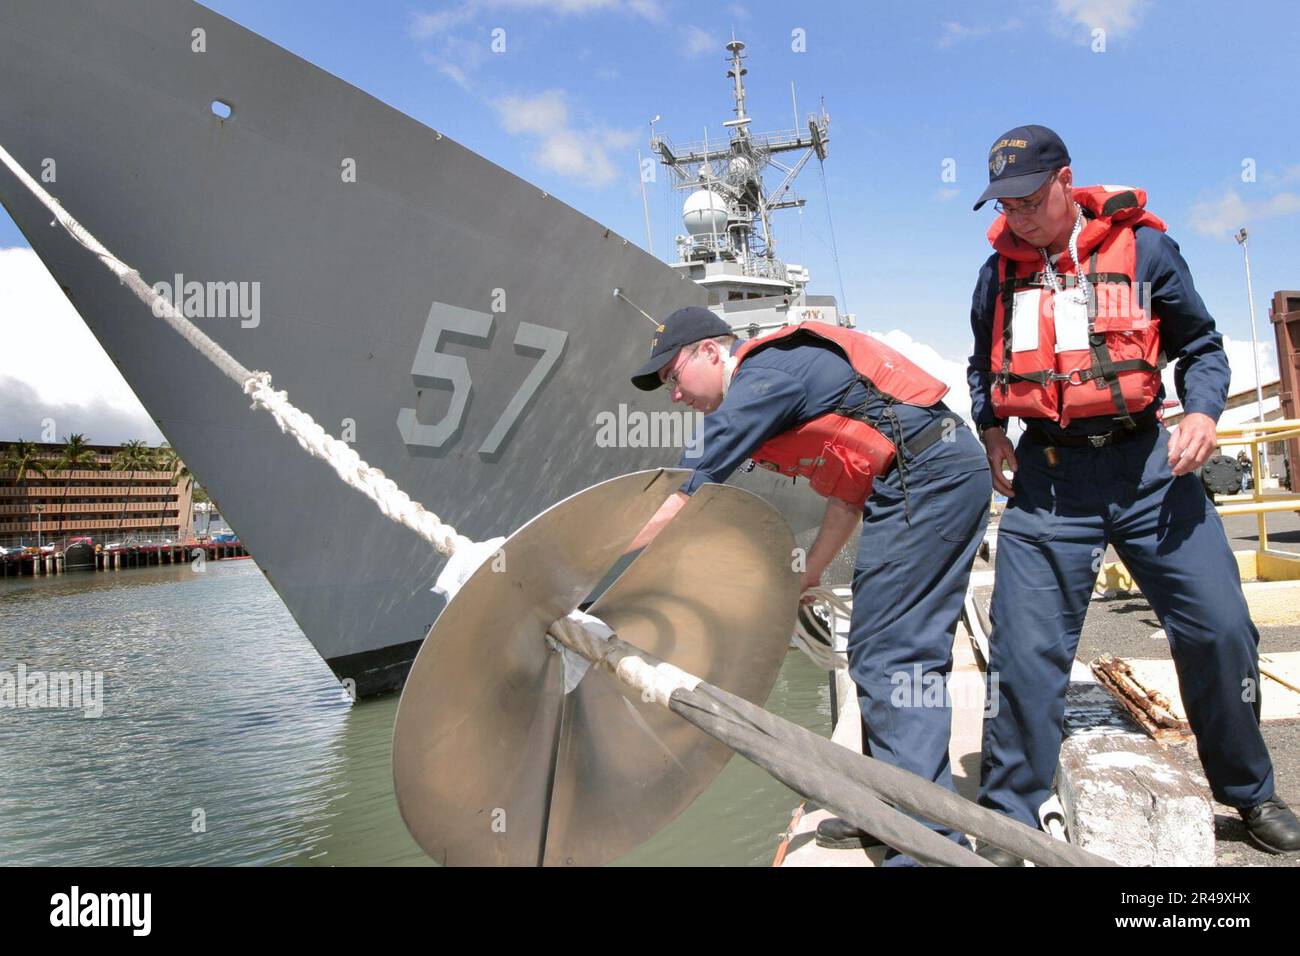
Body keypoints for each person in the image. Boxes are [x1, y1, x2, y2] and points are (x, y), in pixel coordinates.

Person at [967, 125, 1300, 864]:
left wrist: (1206, 412)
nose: (1017, 214)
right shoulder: (997, 277)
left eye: (1028, 197)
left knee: (1220, 630)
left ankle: (1249, 793)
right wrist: (992, 432)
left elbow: (1201, 345)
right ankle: (1008, 812)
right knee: (1024, 651)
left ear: (1065, 180)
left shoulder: (1144, 252)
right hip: (1049, 478)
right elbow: (980, 369)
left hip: (1149, 467)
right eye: (1004, 203)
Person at [628, 305, 991, 866]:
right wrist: (811, 572)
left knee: (898, 657)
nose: (674, 396)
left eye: (674, 378)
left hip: (931, 479)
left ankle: (928, 846)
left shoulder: (765, 374)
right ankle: (891, 811)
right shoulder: (779, 387)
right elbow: (847, 495)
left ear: (709, 351)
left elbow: (688, 489)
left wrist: (585, 552)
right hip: (911, 484)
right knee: (874, 649)